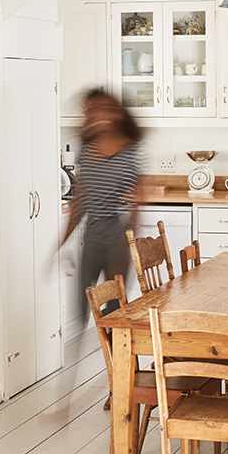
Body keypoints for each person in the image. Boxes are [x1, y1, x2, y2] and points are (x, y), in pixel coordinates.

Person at [60, 88, 144, 317]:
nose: (94, 115)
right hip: (92, 235)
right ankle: (85, 351)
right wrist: (61, 242)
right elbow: (80, 202)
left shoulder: (130, 150)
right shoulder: (86, 149)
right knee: (83, 303)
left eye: (100, 109)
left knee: (115, 304)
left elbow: (136, 205)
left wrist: (128, 242)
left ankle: (117, 351)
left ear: (115, 113)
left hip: (118, 234)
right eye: (90, 111)